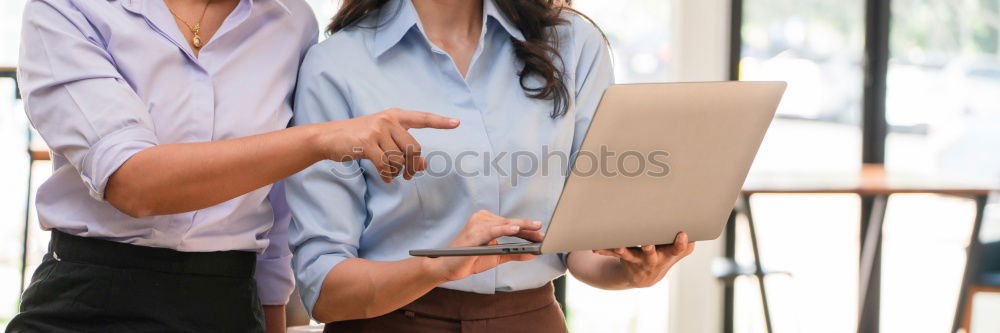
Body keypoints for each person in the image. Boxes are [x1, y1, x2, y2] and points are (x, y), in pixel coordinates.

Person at [8, 0, 458, 331]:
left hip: (228, 302)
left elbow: (275, 204)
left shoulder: (290, 21)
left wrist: (273, 316)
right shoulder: (67, 9)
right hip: (89, 298)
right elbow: (134, 183)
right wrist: (321, 138)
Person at [287, 0, 697, 331]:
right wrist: (438, 266)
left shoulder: (573, 43)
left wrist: (632, 271)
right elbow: (324, 290)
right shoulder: (336, 66)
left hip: (531, 320)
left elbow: (579, 246)